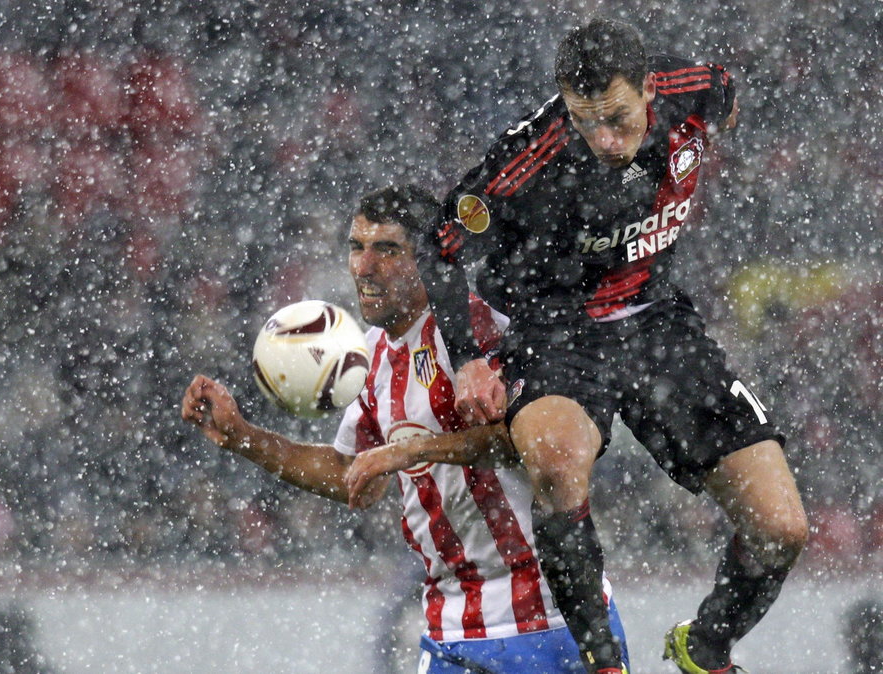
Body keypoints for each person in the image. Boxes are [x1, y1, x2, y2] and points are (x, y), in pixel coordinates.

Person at [414, 18, 808, 674]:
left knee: (781, 529)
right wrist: (470, 358)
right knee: (558, 466)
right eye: (584, 120)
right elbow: (439, 245)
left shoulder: (698, 88)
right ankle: (602, 661)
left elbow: (726, 92)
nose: (602, 138)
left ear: (650, 90)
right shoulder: (528, 155)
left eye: (618, 119)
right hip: (555, 332)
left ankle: (704, 648)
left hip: (659, 322)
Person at [181, 184, 631, 673]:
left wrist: (406, 451)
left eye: (387, 249)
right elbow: (352, 476)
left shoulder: (485, 334)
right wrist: (243, 437)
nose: (363, 266)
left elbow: (534, 443)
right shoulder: (370, 353)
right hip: (450, 629)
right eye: (356, 246)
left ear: (431, 262)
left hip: (549, 618)